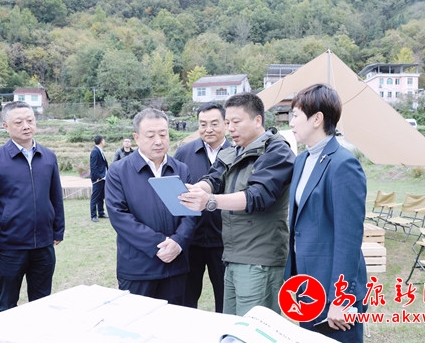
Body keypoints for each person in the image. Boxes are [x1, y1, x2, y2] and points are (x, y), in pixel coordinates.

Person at [179, 92, 295, 316]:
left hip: (259, 258)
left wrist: (209, 201)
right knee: (232, 324)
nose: (230, 128)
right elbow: (214, 179)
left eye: (236, 122)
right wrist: (194, 191)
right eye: (228, 122)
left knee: (254, 327)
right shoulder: (234, 151)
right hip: (233, 255)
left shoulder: (277, 151)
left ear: (257, 120)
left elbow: (257, 196)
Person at [284, 83, 368, 343]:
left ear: (316, 119)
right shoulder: (301, 160)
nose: (291, 122)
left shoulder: (343, 164)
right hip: (306, 287)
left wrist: (341, 299)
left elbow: (348, 238)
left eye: (295, 115)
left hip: (333, 289)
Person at [0, 101, 65, 313]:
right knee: (7, 304)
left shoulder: (48, 157)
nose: (26, 126)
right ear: (6, 126)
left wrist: (58, 230)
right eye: (18, 122)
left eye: (30, 120)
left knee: (42, 303)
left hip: (43, 244)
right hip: (9, 246)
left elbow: (55, 197)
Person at [105, 108, 197, 305]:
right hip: (138, 268)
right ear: (136, 138)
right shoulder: (119, 171)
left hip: (175, 265)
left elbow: (191, 212)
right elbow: (119, 216)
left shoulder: (181, 169)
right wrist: (159, 244)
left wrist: (178, 242)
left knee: (175, 320)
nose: (158, 141)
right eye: (151, 135)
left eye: (163, 134)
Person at [174, 102, 232, 313]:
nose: (208, 129)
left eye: (214, 123)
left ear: (225, 124)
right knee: (186, 300)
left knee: (226, 300)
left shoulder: (237, 152)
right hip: (191, 241)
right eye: (203, 124)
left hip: (225, 242)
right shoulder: (184, 153)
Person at [90, 135, 108, 222]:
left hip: (103, 177)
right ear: (101, 141)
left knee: (101, 196)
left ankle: (101, 212)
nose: (104, 141)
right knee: (95, 197)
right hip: (98, 178)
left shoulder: (100, 150)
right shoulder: (95, 151)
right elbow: (93, 166)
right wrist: (97, 176)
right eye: (103, 140)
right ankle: (93, 215)